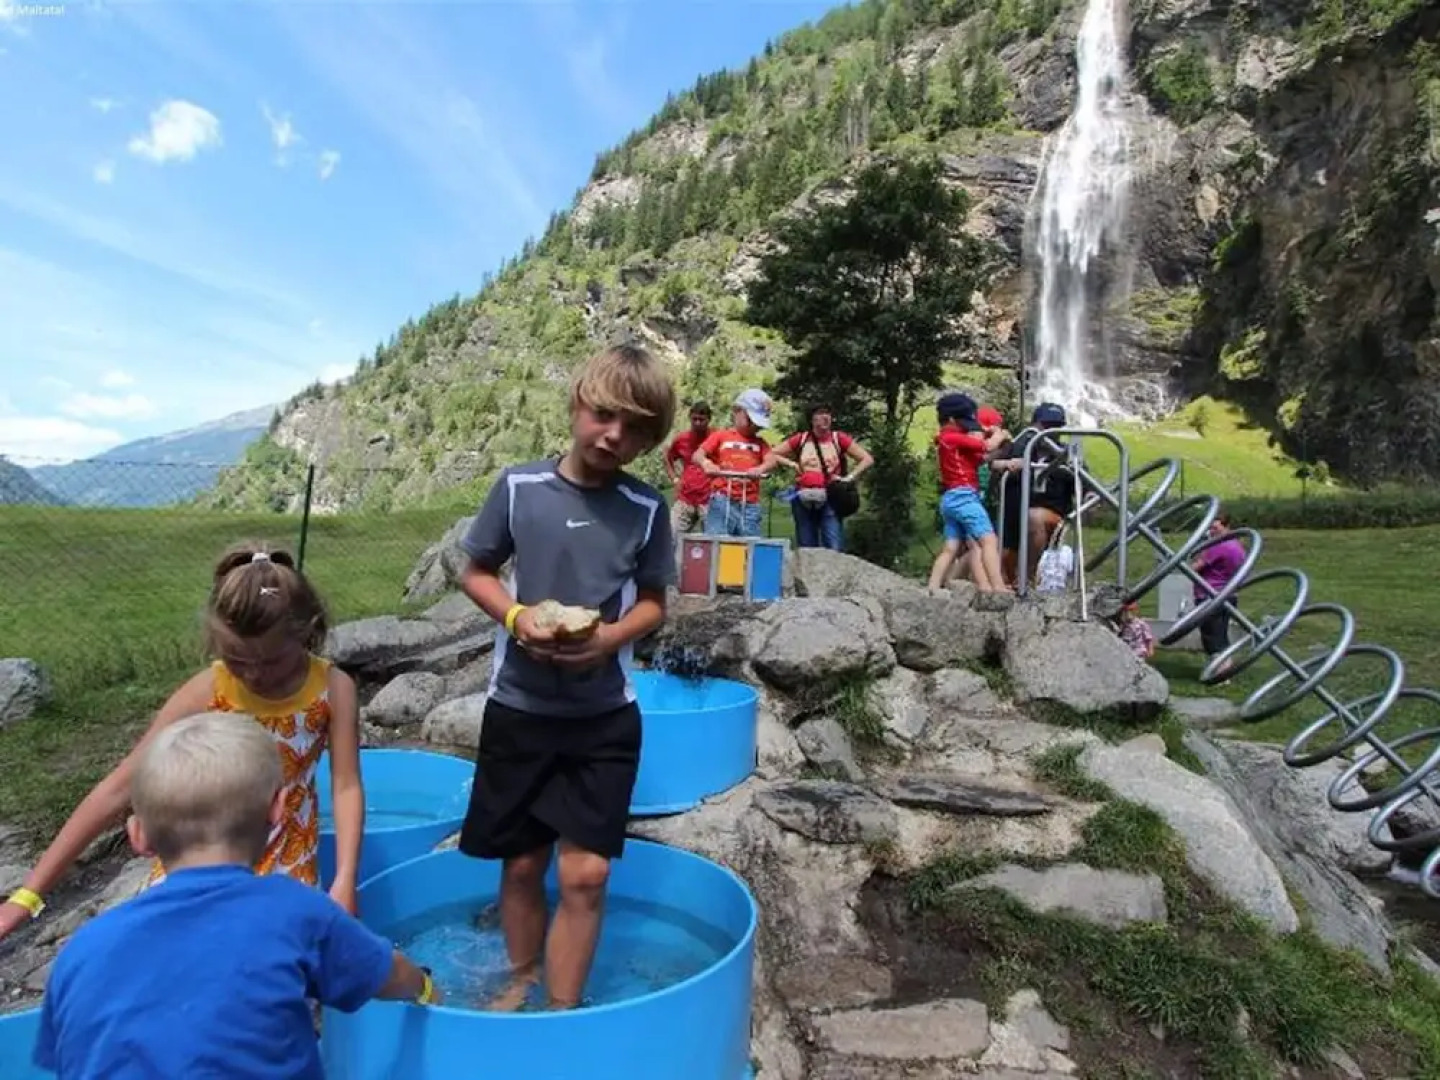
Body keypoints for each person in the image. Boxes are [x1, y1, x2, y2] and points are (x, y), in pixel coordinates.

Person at [31, 711, 437, 1080]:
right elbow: (388, 974)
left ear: (137, 835)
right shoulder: (294, 913)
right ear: (278, 810)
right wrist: (426, 987)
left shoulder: (82, 950)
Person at [456, 343, 677, 1012]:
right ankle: (523, 978)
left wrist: (608, 637)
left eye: (636, 428)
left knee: (586, 873)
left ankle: (564, 1011)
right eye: (606, 415)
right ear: (578, 405)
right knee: (522, 862)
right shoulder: (520, 489)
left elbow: (654, 601)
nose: (615, 436)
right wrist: (519, 618)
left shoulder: (645, 508)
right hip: (520, 710)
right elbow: (476, 571)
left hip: (602, 716)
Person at [0, 543, 365, 944]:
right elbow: (119, 787)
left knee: (278, 969)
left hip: (288, 863)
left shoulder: (332, 689)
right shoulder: (208, 690)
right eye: (238, 660)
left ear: (307, 632)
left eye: (272, 661)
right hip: (198, 864)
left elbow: (345, 785)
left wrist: (344, 879)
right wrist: (28, 894)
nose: (255, 675)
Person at [927, 391, 1008, 592]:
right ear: (953, 419)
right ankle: (998, 587)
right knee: (989, 540)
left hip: (950, 499)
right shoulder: (954, 437)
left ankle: (933, 587)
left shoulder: (947, 441)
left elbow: (981, 458)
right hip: (965, 497)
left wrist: (1001, 450)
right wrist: (1000, 434)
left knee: (951, 546)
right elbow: (987, 446)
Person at [764, 403, 873, 551]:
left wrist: (849, 478)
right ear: (812, 419)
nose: (825, 417)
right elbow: (772, 453)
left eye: (827, 413)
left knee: (833, 544)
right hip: (802, 495)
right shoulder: (801, 439)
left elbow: (867, 459)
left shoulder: (838, 438)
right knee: (806, 545)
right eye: (820, 413)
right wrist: (792, 464)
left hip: (830, 495)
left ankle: (833, 572)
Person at [990, 402, 1075, 588]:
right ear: (1035, 425)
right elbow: (989, 464)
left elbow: (1085, 483)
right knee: (992, 548)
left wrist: (1090, 496)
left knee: (1034, 517)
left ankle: (1027, 577)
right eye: (1046, 426)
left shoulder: (1066, 455)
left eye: (1057, 426)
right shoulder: (1022, 448)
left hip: (1050, 515)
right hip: (1014, 517)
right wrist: (1006, 463)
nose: (1051, 431)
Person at [691, 388, 775, 538]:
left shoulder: (760, 443)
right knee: (717, 539)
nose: (755, 427)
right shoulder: (722, 436)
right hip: (722, 499)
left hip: (749, 503)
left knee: (750, 541)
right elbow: (697, 455)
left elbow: (772, 461)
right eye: (751, 421)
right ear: (737, 411)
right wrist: (706, 463)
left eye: (759, 424)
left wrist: (761, 468)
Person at [1192, 509, 1246, 678]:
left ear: (1226, 526)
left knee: (1211, 636)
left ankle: (1220, 673)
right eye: (1210, 528)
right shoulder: (1236, 545)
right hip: (1228, 595)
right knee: (1220, 634)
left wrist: (1198, 552)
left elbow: (1195, 567)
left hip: (1210, 595)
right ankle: (1221, 668)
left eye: (1215, 528)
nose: (1211, 531)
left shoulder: (1219, 546)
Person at [663, 400, 712, 539]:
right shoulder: (682, 439)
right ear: (690, 418)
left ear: (709, 419)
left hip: (709, 500)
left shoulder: (716, 438)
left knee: (712, 543)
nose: (697, 423)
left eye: (701, 420)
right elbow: (667, 456)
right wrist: (674, 478)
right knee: (670, 537)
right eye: (694, 419)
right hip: (685, 497)